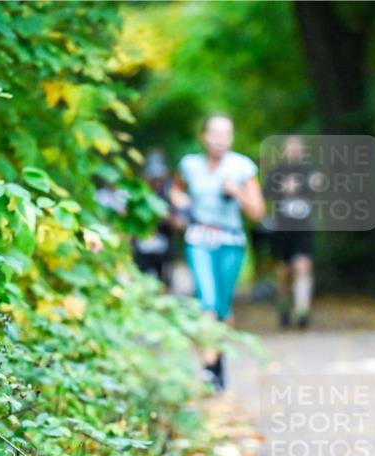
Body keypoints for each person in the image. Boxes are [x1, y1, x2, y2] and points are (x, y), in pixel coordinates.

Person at [170, 114, 265, 390]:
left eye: (225, 134)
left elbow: (258, 212)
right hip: (199, 238)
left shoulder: (242, 167)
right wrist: (181, 205)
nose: (220, 140)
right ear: (204, 137)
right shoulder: (189, 165)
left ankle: (217, 361)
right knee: (207, 302)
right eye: (214, 134)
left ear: (231, 138)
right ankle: (209, 367)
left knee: (223, 309)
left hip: (231, 242)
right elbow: (175, 191)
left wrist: (235, 192)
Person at [263, 135, 317, 329]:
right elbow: (265, 194)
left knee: (303, 266)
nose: (294, 150)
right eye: (290, 147)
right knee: (284, 271)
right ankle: (284, 308)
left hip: (303, 228)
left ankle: (302, 310)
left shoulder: (309, 170)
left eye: (297, 147)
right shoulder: (277, 172)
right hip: (282, 228)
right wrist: (283, 188)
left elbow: (319, 185)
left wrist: (301, 185)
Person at [133, 149, 177, 287]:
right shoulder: (137, 193)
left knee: (164, 281)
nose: (156, 182)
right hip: (142, 247)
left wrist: (164, 217)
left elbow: (179, 221)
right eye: (153, 179)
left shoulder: (170, 193)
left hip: (164, 247)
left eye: (159, 179)